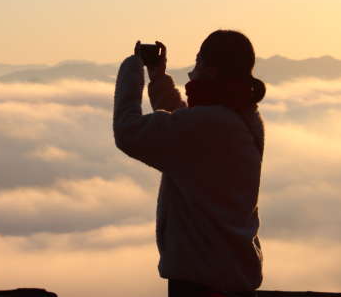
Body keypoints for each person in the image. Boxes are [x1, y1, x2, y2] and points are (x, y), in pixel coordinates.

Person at [113, 30, 266, 297]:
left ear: (212, 71)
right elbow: (186, 130)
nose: (191, 73)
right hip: (229, 276)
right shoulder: (241, 118)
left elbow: (128, 131)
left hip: (202, 283)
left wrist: (132, 67)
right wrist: (158, 78)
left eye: (198, 62)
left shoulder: (210, 125)